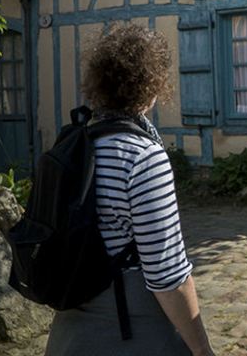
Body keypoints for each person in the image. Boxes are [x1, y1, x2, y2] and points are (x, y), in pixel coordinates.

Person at [45, 23, 215, 356]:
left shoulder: (72, 146)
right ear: (151, 87)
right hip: (128, 328)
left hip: (70, 329)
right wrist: (201, 348)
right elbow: (167, 273)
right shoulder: (141, 156)